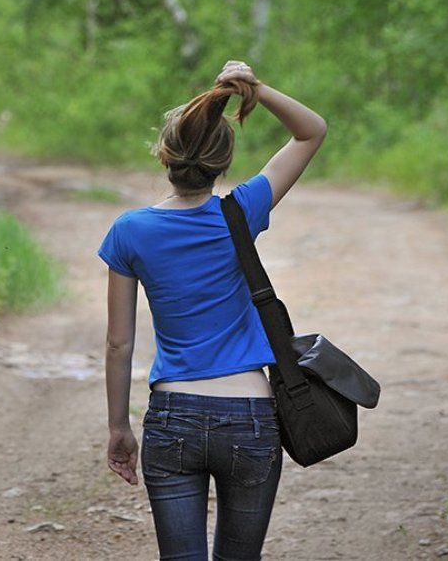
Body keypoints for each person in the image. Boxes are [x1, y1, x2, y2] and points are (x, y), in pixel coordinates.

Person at [98, 60, 327, 559]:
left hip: (174, 414)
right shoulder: (242, 210)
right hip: (250, 414)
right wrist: (256, 89)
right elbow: (311, 132)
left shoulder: (129, 230)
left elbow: (119, 343)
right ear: (222, 162)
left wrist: (119, 428)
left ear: (165, 156)